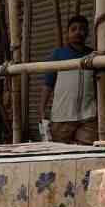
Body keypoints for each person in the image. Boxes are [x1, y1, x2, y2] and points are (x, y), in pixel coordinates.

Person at [41, 15, 99, 145]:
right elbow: (48, 85)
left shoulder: (94, 56)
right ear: (67, 33)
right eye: (74, 29)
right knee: (61, 153)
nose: (78, 32)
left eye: (82, 29)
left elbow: (98, 85)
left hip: (88, 116)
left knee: (87, 152)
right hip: (62, 116)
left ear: (87, 33)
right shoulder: (58, 55)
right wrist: (42, 111)